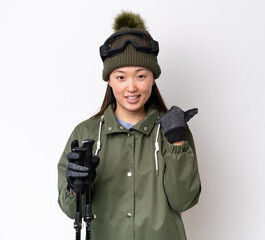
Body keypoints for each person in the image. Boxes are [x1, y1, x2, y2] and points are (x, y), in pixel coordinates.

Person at [57, 11, 201, 240]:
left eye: (141, 76)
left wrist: (177, 143)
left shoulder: (172, 130)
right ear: (109, 80)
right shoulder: (86, 134)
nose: (131, 87)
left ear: (152, 78)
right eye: (121, 77)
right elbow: (68, 208)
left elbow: (183, 200)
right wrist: (76, 187)